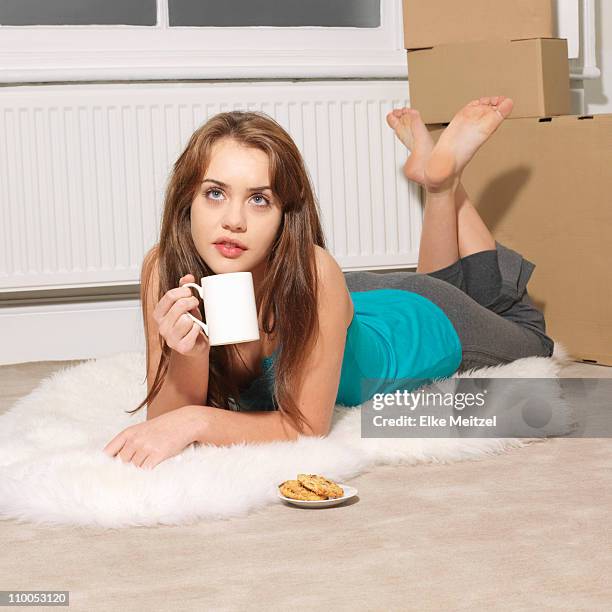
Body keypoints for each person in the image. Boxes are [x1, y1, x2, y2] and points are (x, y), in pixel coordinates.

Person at [102, 97, 554, 469]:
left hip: (421, 327)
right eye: (215, 193)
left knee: (528, 333)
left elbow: (303, 429)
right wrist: (190, 357)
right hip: (352, 297)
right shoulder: (163, 268)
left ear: (285, 216)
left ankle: (444, 184)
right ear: (187, 200)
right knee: (427, 288)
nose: (233, 221)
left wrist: (198, 423)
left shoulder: (313, 271)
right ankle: (439, 185)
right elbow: (162, 425)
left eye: (259, 199)